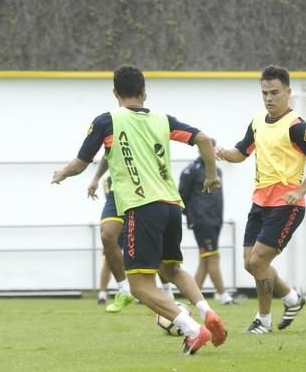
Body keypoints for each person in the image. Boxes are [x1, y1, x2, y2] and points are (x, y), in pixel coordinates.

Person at [52, 65, 227, 354]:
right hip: (172, 206)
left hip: (141, 208)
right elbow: (205, 140)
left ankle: (193, 329)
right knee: (171, 269)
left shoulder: (107, 121)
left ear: (114, 93)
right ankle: (207, 311)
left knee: (139, 286)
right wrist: (211, 175)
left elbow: (81, 163)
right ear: (144, 92)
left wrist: (62, 174)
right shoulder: (162, 119)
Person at [215, 65, 306, 334]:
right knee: (249, 262)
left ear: (288, 92)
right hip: (260, 202)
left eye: (274, 92)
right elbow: (241, 153)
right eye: (264, 93)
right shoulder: (257, 123)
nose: (269, 98)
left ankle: (263, 321)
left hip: (286, 205)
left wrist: (300, 191)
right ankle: (291, 299)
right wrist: (221, 152)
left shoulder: (297, 127)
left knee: (257, 262)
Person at [88, 165, 174, 310]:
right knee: (107, 238)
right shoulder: (109, 177)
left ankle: (167, 291)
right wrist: (95, 178)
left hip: (143, 193)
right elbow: (108, 149)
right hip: (118, 196)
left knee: (151, 250)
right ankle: (120, 290)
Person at [178, 143, 235, 305]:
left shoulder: (218, 171)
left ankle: (193, 297)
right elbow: (181, 195)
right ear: (200, 150)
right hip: (202, 221)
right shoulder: (192, 170)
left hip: (215, 220)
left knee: (205, 259)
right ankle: (224, 296)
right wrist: (192, 215)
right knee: (213, 257)